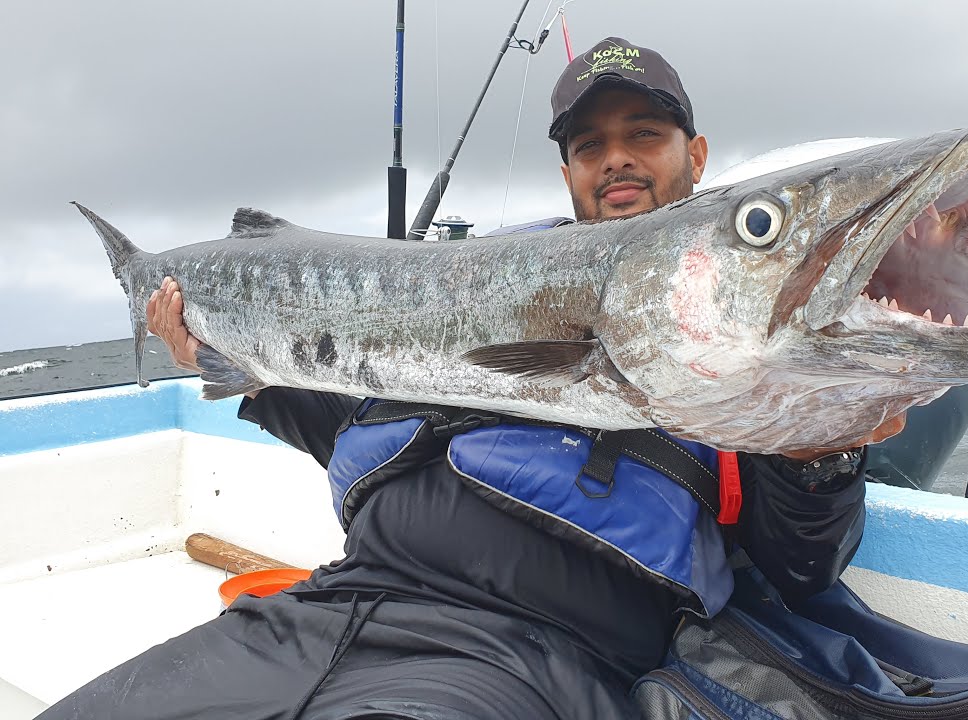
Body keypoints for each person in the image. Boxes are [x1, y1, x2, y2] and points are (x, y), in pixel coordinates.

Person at [39, 37, 902, 719]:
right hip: (334, 603)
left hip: (530, 653)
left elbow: (801, 567)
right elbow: (358, 425)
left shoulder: (746, 338)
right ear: (567, 171)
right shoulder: (485, 282)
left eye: (646, 133)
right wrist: (234, 365)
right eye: (590, 143)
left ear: (697, 153)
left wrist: (822, 453)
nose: (618, 160)